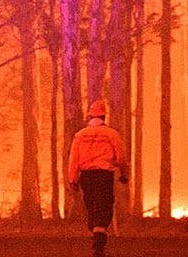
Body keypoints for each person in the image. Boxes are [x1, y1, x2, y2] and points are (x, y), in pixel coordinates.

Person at [67, 99, 128, 257]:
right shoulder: (112, 134)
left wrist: (72, 179)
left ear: (89, 116)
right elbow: (121, 157)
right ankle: (98, 244)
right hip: (104, 175)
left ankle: (95, 234)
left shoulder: (80, 135)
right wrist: (124, 174)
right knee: (104, 207)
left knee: (92, 206)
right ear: (104, 116)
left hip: (86, 177)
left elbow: (74, 159)